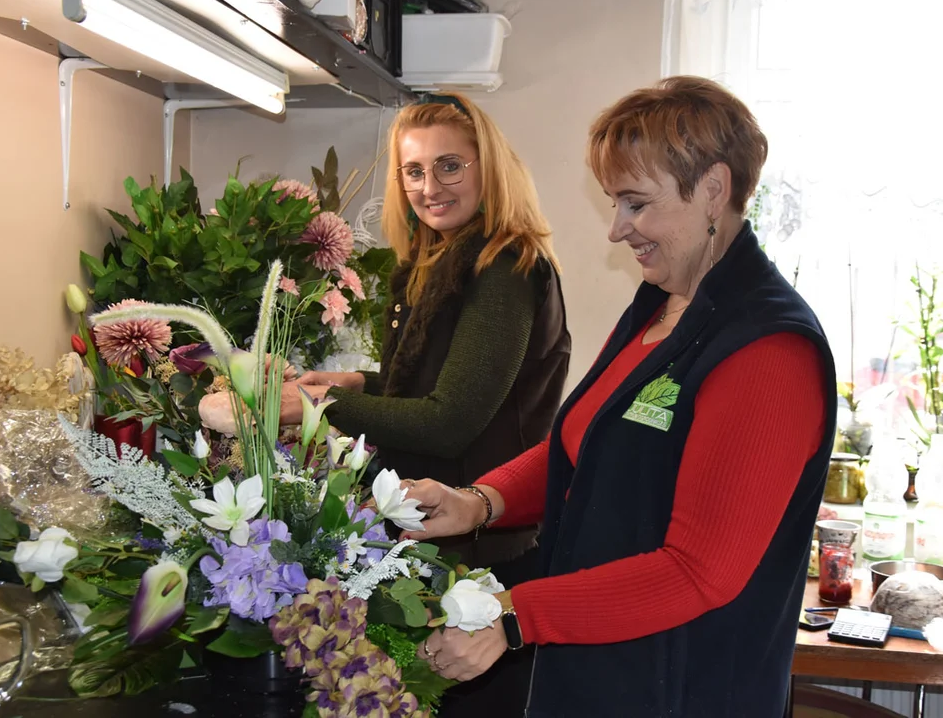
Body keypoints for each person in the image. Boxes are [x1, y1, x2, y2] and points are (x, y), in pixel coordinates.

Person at [399, 76, 837, 717]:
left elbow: (697, 572)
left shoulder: (767, 350)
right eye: (615, 204)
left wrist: (516, 615)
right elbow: (586, 442)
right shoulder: (661, 306)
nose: (616, 230)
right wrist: (479, 502)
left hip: (682, 692)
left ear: (713, 190)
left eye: (636, 204)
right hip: (600, 674)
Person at [280, 92, 571, 717]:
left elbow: (447, 420)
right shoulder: (439, 258)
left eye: (449, 165)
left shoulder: (503, 265)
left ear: (487, 168)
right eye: (413, 170)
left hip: (485, 554)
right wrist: (355, 385)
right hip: (440, 535)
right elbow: (431, 380)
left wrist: (314, 409)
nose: (428, 185)